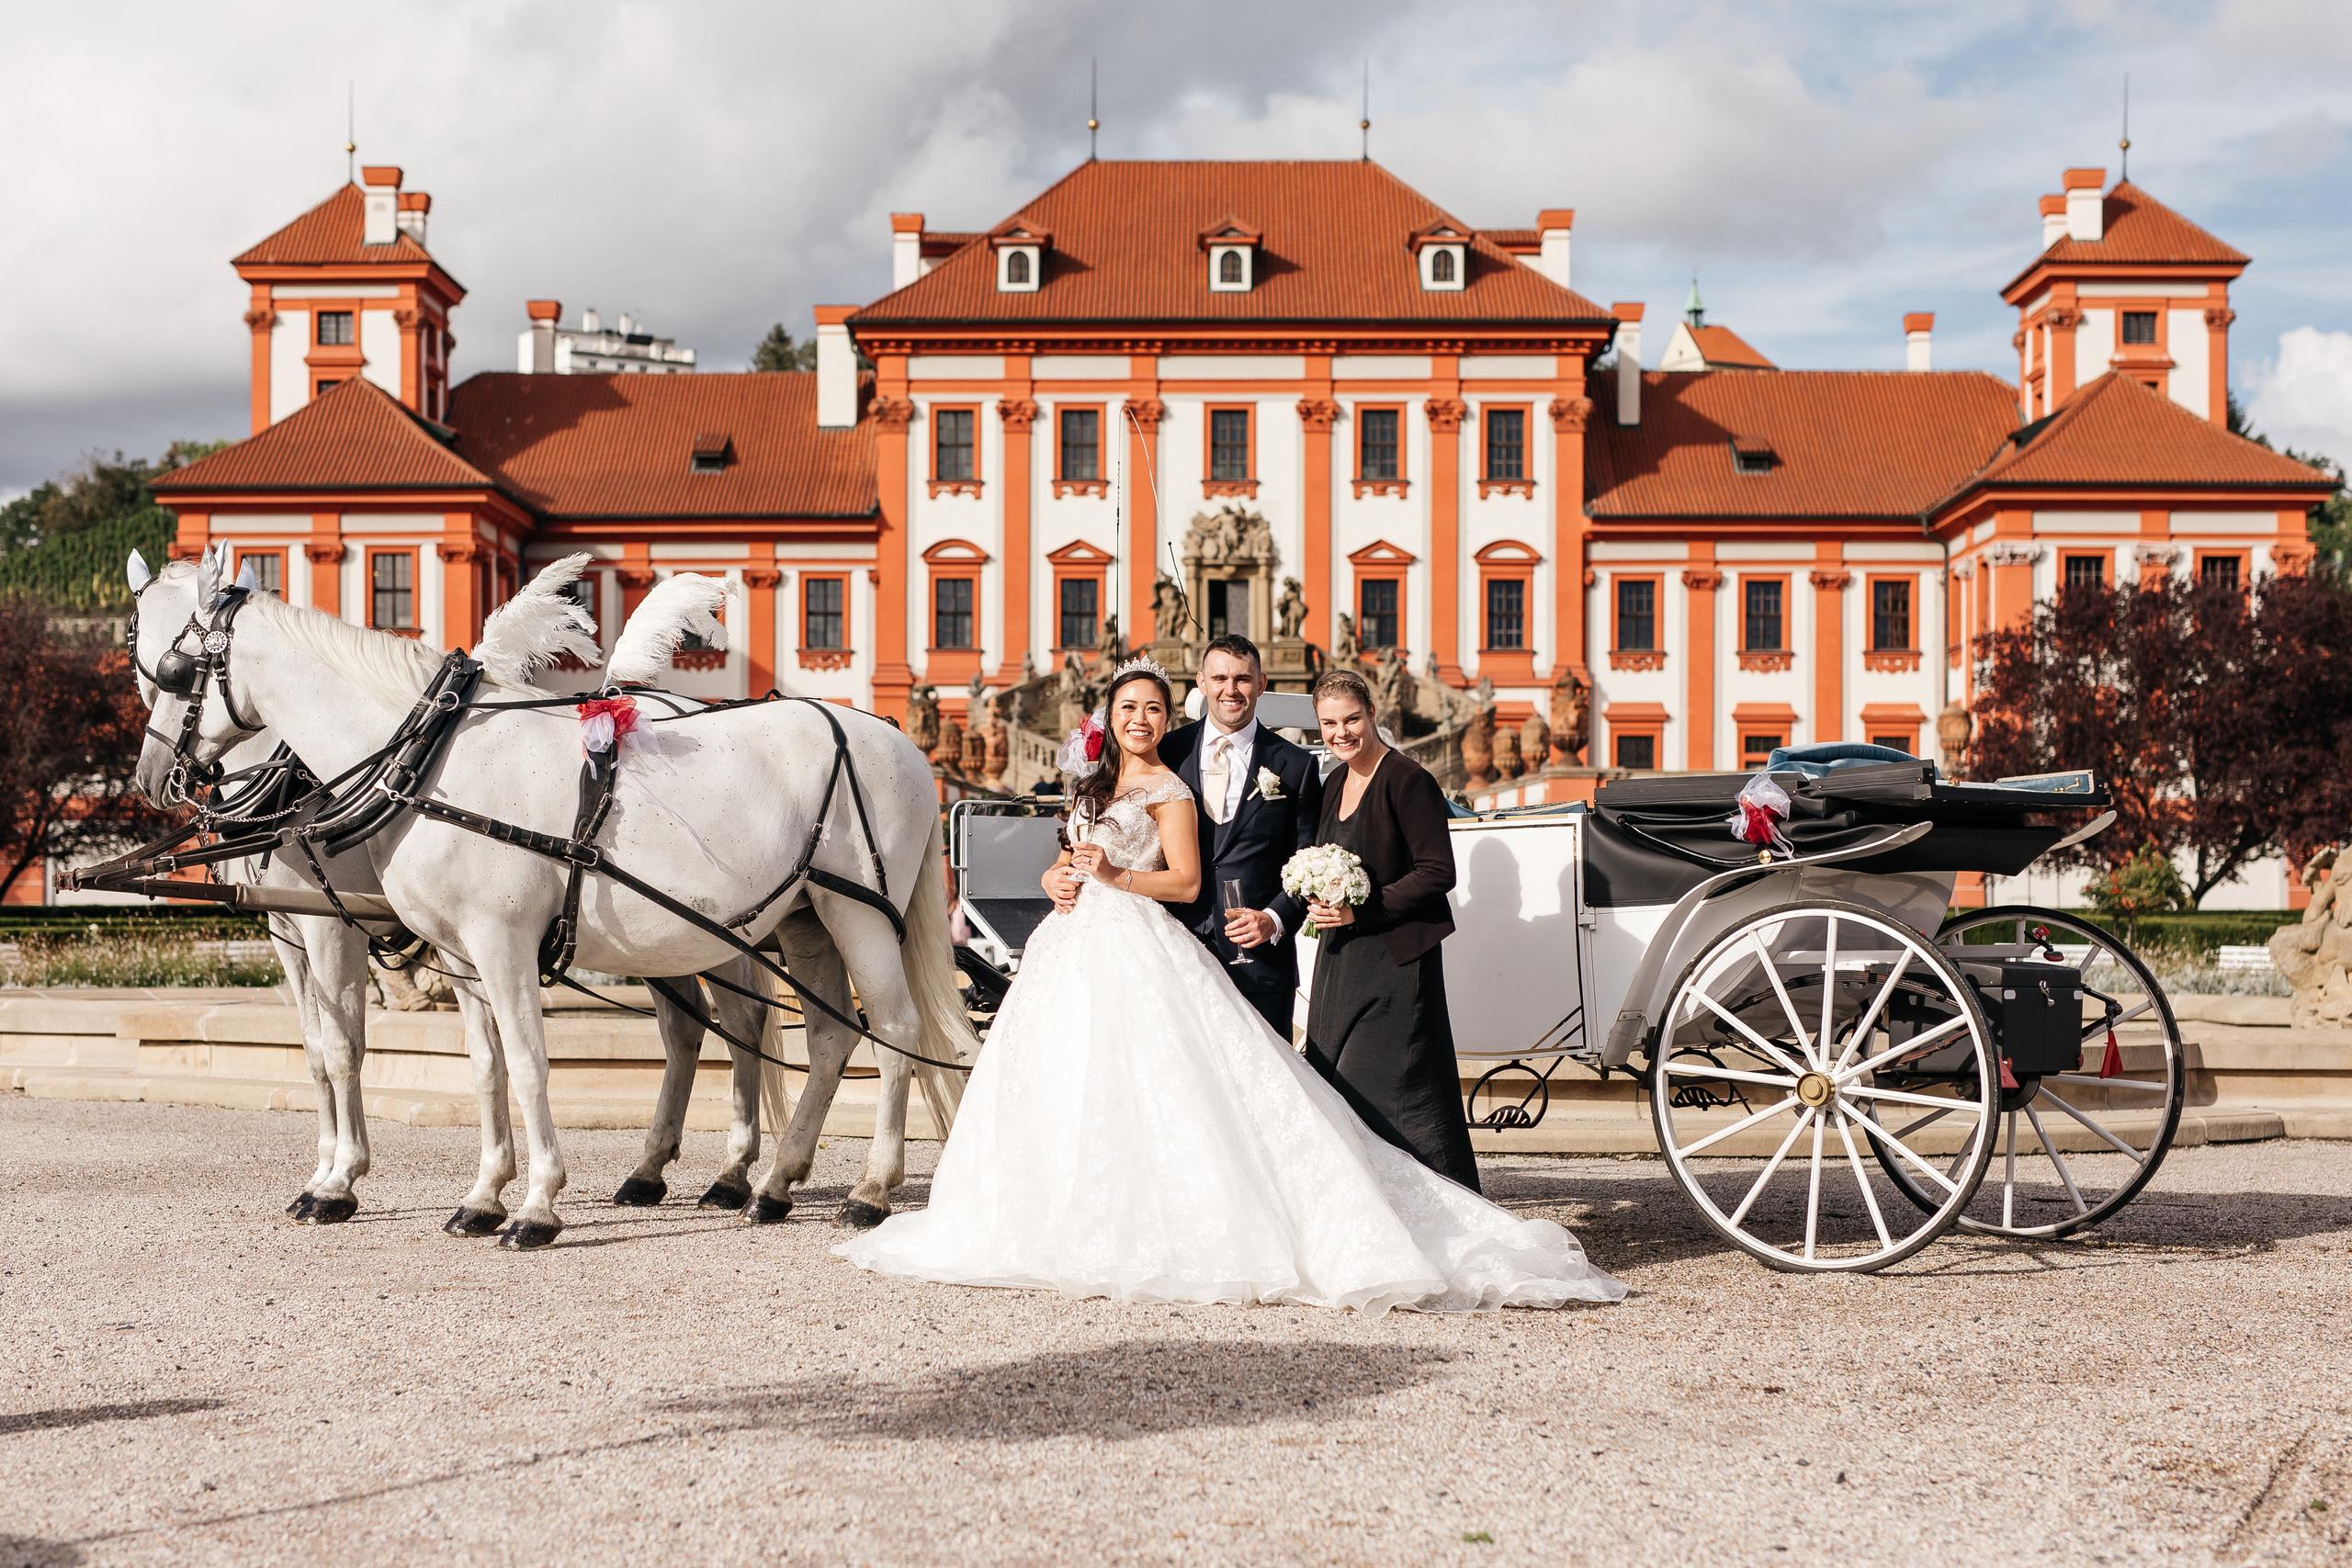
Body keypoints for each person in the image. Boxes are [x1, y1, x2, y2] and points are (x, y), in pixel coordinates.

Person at [834, 657, 1622, 1313]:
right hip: (1079, 949)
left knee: (1223, 1095)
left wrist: (1257, 909)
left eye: (1155, 705)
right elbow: (1073, 856)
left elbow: (1196, 874)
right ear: (1126, 710)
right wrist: (1061, 873)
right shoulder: (1124, 769)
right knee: (1080, 1080)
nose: (1147, 716)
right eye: (1132, 706)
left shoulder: (1269, 768)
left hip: (1194, 942)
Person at [1302, 668, 1482, 1190]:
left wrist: (1364, 908)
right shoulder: (1334, 781)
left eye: (1352, 719)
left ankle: (1439, 1213)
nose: (1341, 733)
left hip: (1397, 962)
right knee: (1334, 1089)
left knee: (1395, 1094)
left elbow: (1437, 871)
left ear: (1372, 713)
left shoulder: (1408, 779)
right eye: (1329, 723)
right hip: (1341, 960)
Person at [1157, 635, 1323, 1040]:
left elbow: (1308, 860)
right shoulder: (1166, 753)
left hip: (1261, 961)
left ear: (1261, 683)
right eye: (1219, 678)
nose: (1230, 690)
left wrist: (1274, 918)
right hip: (1176, 952)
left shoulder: (1296, 765)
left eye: (1242, 679)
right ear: (1200, 682)